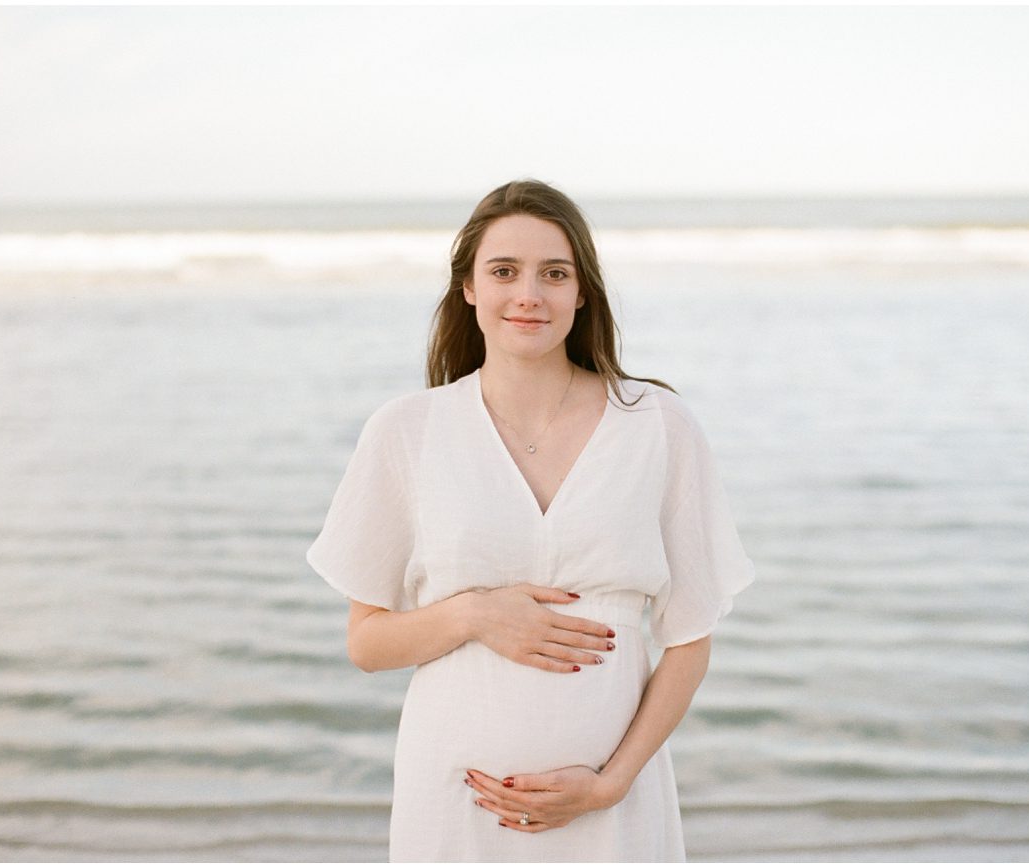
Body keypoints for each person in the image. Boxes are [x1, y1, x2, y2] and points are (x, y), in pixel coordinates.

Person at [305, 179, 756, 861]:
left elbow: (690, 638)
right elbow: (368, 644)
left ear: (582, 293)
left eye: (555, 273)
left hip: (611, 808)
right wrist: (475, 615)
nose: (529, 294)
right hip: (454, 803)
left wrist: (611, 783)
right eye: (504, 271)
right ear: (468, 289)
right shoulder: (408, 430)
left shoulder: (657, 425)